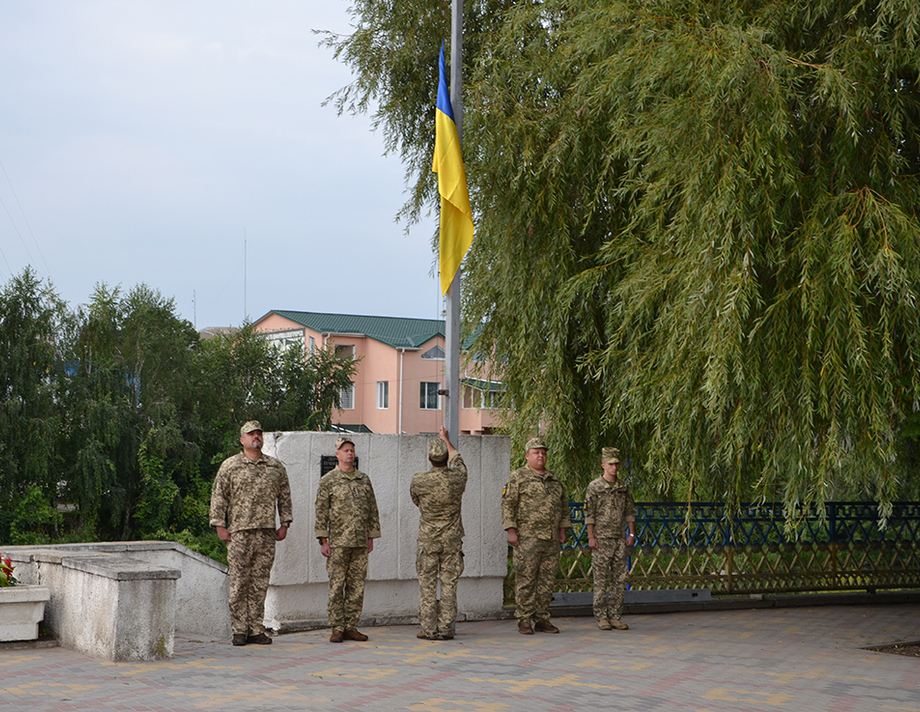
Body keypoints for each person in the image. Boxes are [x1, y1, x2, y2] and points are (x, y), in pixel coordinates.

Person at [209, 420, 293, 646]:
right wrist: (219, 525)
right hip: (239, 533)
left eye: (258, 433)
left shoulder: (275, 467)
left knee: (260, 582)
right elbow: (219, 496)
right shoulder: (230, 465)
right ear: (242, 440)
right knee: (239, 582)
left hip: (266, 533)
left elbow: (284, 496)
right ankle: (239, 630)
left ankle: (256, 628)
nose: (256, 437)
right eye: (251, 434)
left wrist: (284, 523)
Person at [501, 437, 572, 634]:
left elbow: (563, 506)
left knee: (547, 581)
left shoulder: (554, 478)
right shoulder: (518, 477)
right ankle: (523, 619)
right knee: (526, 579)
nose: (540, 455)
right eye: (536, 452)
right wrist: (511, 530)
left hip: (550, 539)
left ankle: (542, 618)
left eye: (543, 452)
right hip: (527, 537)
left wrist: (562, 529)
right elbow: (508, 505)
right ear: (527, 455)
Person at [314, 436, 381, 643]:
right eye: (345, 450)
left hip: (359, 542)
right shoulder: (328, 480)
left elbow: (372, 509)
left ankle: (351, 626)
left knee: (356, 586)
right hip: (337, 543)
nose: (349, 453)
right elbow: (321, 511)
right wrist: (323, 540)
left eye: (351, 450)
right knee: (336, 585)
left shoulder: (363, 479)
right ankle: (337, 627)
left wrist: (371, 536)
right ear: (337, 454)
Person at [410, 426, 468, 641]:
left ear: (429, 458)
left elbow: (416, 500)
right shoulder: (458, 478)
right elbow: (458, 460)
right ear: (445, 458)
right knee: (450, 584)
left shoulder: (419, 479)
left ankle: (428, 629)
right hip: (452, 540)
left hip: (428, 539)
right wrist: (446, 439)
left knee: (427, 584)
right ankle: (445, 629)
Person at [585, 447, 636, 630]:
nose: (614, 467)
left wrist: (631, 534)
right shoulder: (595, 487)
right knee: (600, 579)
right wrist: (591, 537)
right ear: (603, 465)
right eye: (611, 464)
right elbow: (589, 513)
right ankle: (601, 616)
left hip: (619, 539)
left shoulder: (623, 487)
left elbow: (630, 511)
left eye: (616, 464)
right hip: (601, 539)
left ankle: (615, 615)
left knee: (619, 578)